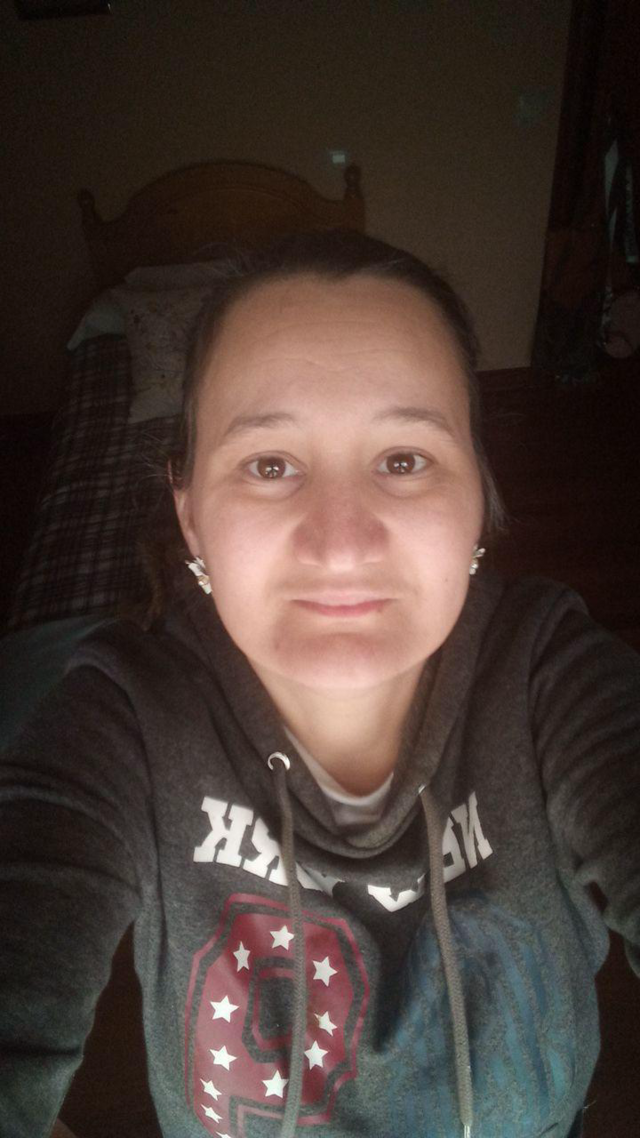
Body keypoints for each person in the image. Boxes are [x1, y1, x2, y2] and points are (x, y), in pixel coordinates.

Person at [1, 230, 639, 1138]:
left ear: (477, 499)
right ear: (190, 513)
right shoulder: (121, 715)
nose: (341, 544)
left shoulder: (551, 672)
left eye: (404, 460)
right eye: (270, 465)